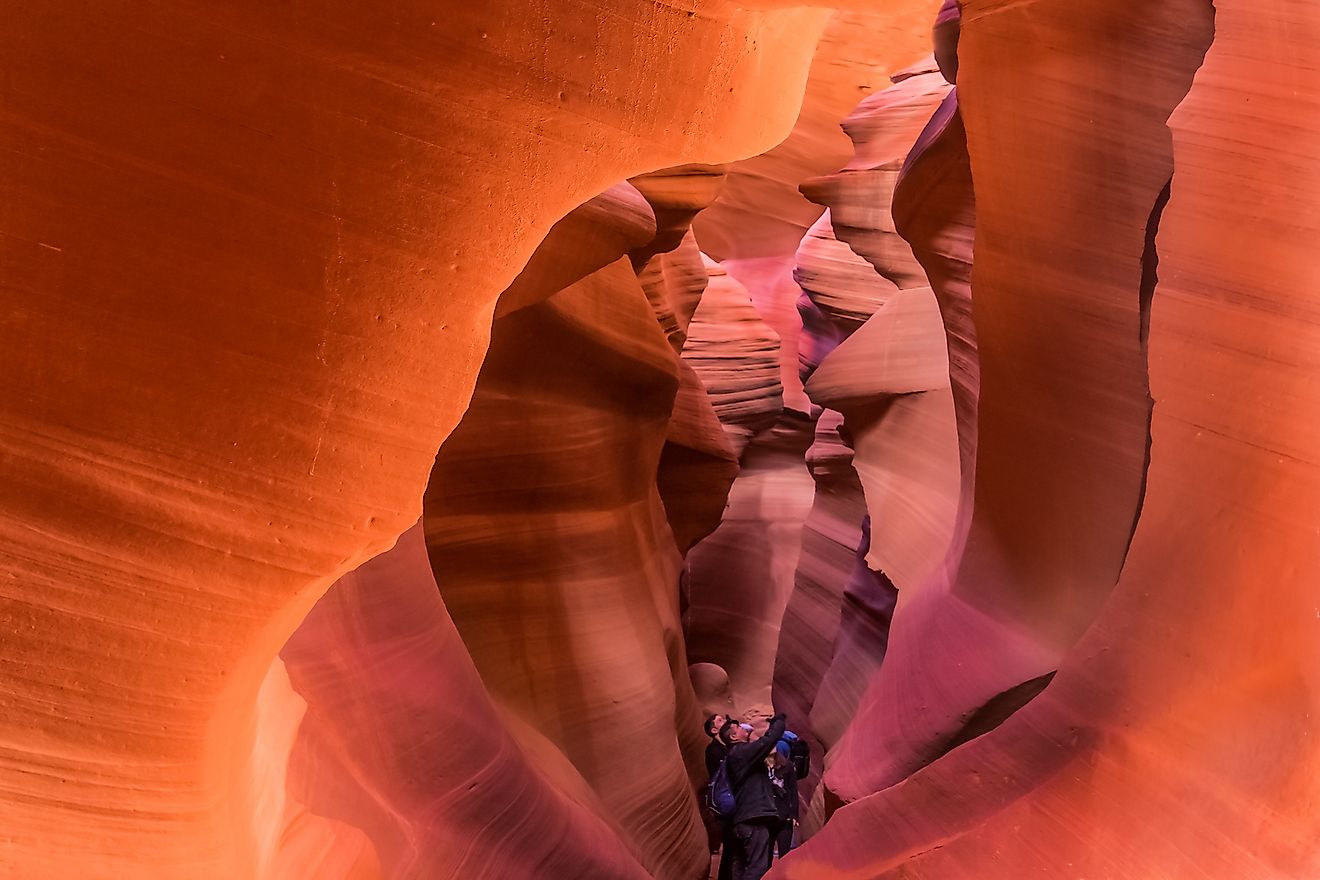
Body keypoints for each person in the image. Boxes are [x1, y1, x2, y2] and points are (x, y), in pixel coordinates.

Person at [719, 712, 786, 880]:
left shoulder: (736, 756)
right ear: (734, 736)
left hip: (742, 821)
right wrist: (778, 722)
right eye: (739, 728)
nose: (743, 728)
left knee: (741, 867)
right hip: (754, 818)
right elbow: (768, 741)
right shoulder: (741, 753)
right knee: (758, 868)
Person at [703, 713, 736, 880]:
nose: (725, 721)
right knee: (730, 846)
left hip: (731, 800)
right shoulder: (713, 751)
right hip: (725, 803)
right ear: (714, 729)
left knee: (733, 846)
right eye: (720, 720)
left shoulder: (726, 748)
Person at [768, 740, 798, 860]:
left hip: (784, 816)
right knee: (765, 855)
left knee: (784, 855)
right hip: (767, 816)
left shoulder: (787, 765)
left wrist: (794, 814)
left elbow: (793, 790)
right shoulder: (759, 767)